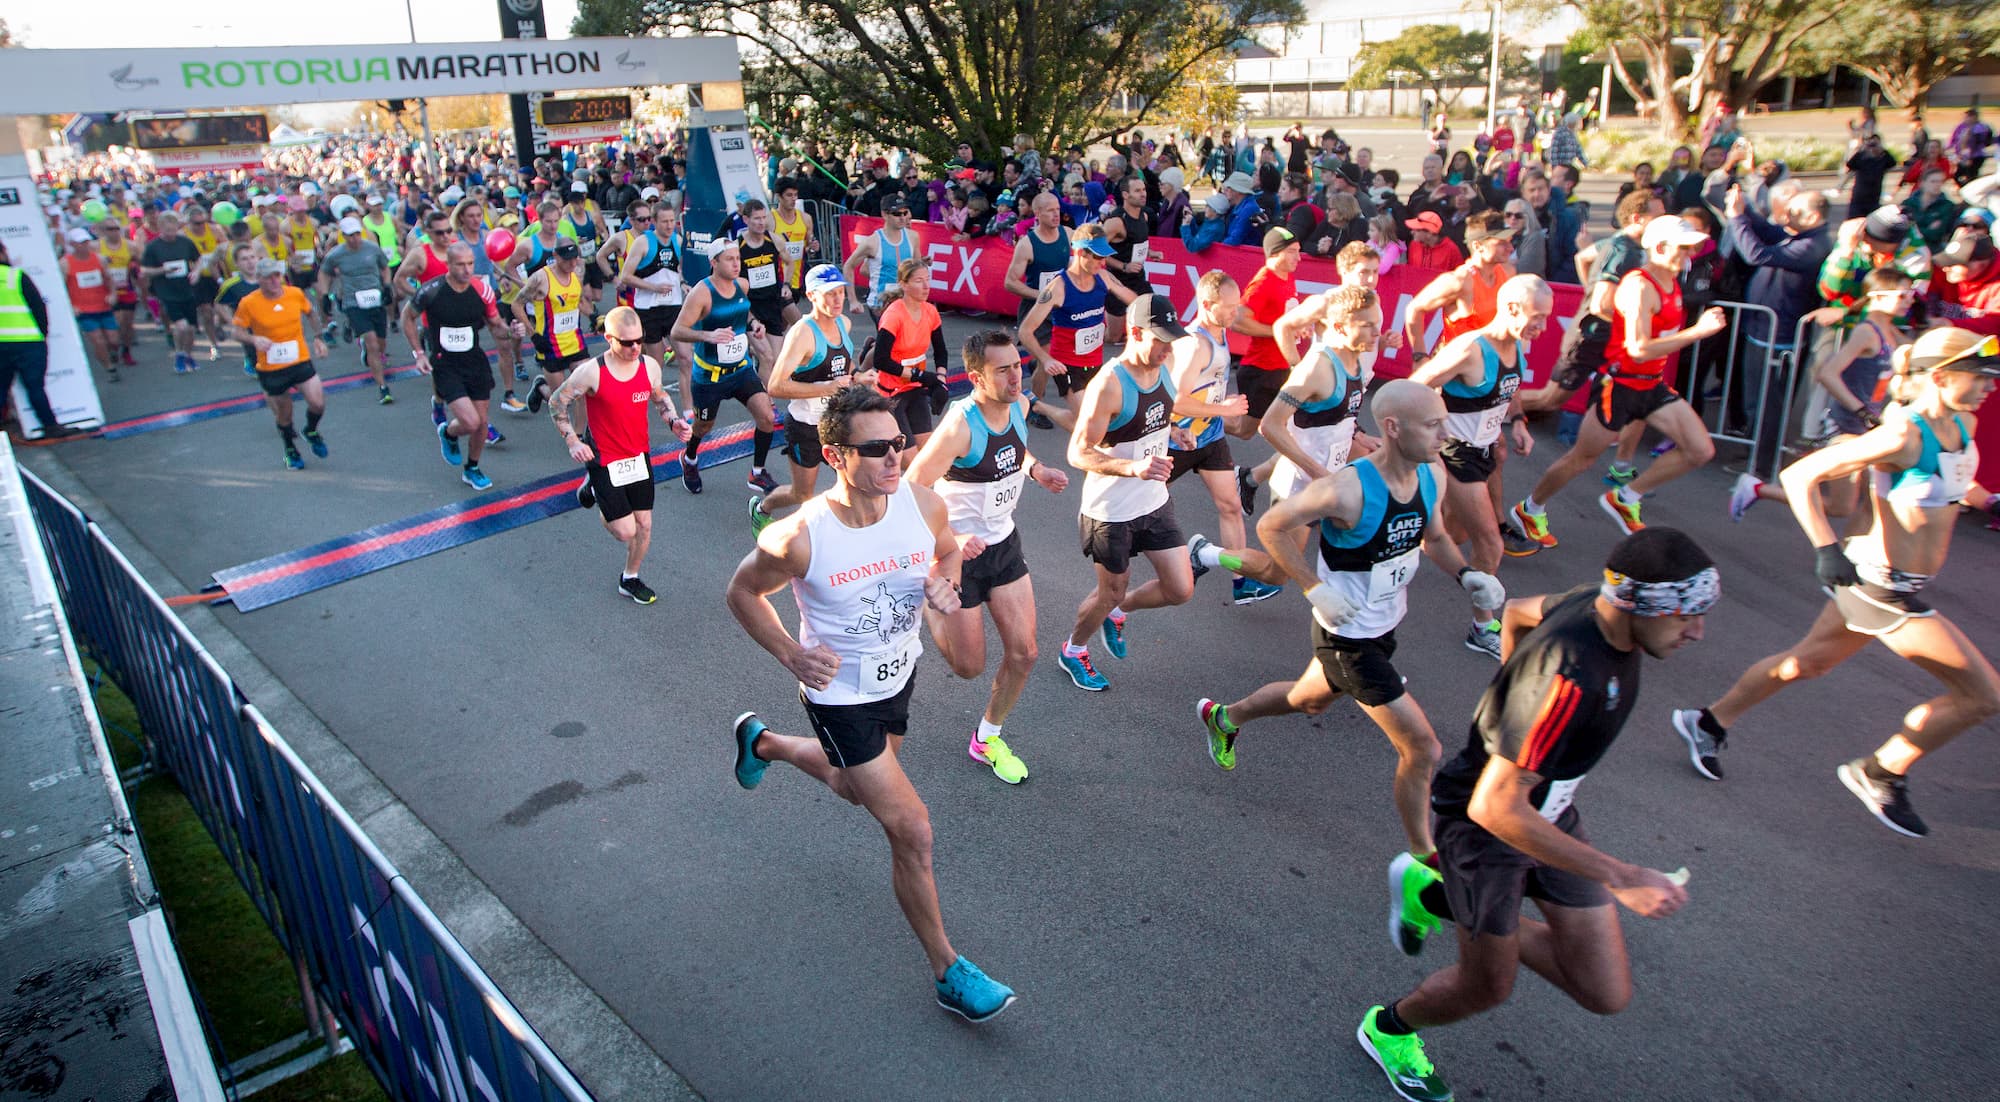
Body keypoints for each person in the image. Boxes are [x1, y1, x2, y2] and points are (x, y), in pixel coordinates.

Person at [1358, 528, 1713, 1102]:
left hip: (1548, 812)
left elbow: (1518, 615)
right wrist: (1621, 876)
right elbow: (1494, 805)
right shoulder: (1571, 676)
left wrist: (1509, 697)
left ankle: (1436, 897)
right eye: (1684, 615)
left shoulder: (1591, 601)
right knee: (1487, 987)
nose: (1696, 630)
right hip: (1486, 832)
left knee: (1605, 990)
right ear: (1637, 604)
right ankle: (1389, 1028)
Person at [724, 383, 1017, 1023]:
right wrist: (789, 654)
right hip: (836, 696)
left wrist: (947, 582)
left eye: (901, 443)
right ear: (835, 457)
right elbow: (743, 594)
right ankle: (947, 970)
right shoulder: (798, 536)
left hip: (897, 678)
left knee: (852, 786)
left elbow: (945, 553)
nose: (895, 457)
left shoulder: (921, 504)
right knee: (911, 829)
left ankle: (764, 743)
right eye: (878, 448)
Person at [1193, 381, 1505, 951]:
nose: (1445, 432)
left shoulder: (1431, 476)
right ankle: (1421, 859)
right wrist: (1313, 587)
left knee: (1309, 699)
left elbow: (1432, 535)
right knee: (1423, 749)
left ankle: (1224, 717)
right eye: (1433, 424)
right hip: (1347, 637)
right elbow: (1270, 527)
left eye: (1444, 423)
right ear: (1393, 428)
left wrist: (1465, 575)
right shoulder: (1344, 490)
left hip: (1384, 628)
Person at [1670, 327, 1999, 835]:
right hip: (1880, 588)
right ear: (1941, 375)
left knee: (1806, 663)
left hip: (1897, 584)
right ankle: (1881, 770)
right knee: (1984, 696)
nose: (1990, 386)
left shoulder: (1962, 423)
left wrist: (1989, 502)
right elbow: (1803, 477)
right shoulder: (1901, 434)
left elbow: (1957, 479)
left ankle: (1707, 721)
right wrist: (1825, 548)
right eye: (1980, 376)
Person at [907, 329, 1070, 783]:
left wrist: (1036, 469)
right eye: (1004, 370)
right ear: (977, 378)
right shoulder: (959, 425)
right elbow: (912, 490)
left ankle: (987, 737)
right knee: (968, 667)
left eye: (1017, 365)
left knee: (1026, 653)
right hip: (956, 556)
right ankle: (929, 601)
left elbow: (1013, 450)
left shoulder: (1018, 405)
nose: (1017, 376)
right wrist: (953, 538)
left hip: (1003, 544)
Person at [1511, 218, 1728, 546]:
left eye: (1692, 247)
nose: (1690, 254)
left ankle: (1626, 497)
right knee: (1581, 459)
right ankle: (1530, 508)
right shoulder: (1639, 286)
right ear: (1659, 248)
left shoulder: (1673, 280)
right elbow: (1638, 349)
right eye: (1683, 247)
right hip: (1621, 385)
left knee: (1700, 449)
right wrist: (1697, 332)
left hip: (1651, 385)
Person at [1057, 294, 1196, 692]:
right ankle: (1073, 649)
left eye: (1172, 339)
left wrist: (1173, 432)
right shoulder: (1109, 384)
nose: (1168, 348)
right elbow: (1077, 452)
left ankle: (1118, 613)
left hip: (1153, 501)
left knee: (1180, 589)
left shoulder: (1164, 364)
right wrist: (1131, 467)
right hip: (1111, 511)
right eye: (1160, 339)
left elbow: (1155, 416)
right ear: (1134, 332)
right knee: (1109, 591)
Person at [1411, 276, 1552, 659]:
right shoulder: (1469, 350)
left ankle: (1397, 535)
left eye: (1546, 319)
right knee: (1490, 541)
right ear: (1511, 309)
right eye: (1536, 318)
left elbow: (1510, 387)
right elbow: (1413, 388)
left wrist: (1519, 421)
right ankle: (1483, 626)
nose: (1542, 327)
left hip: (1485, 451)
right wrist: (1430, 443)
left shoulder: (1516, 345)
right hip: (1458, 454)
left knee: (1451, 535)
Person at [1729, 268, 1912, 520]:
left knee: (1875, 500)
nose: (1910, 300)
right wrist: (1860, 410)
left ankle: (1866, 553)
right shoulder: (1866, 332)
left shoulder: (1894, 332)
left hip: (1873, 426)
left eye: (1911, 294)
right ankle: (1758, 489)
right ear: (1877, 297)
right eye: (1902, 295)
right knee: (1843, 507)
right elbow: (1827, 373)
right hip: (1847, 427)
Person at [546, 305, 691, 606]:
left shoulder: (649, 365)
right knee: (626, 532)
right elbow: (556, 404)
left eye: (640, 340)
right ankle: (597, 491)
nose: (635, 347)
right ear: (609, 338)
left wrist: (673, 421)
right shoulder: (590, 372)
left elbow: (660, 397)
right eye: (627, 342)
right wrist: (573, 441)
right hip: (604, 457)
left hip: (638, 456)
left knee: (645, 526)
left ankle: (630, 578)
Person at [1168, 271, 1278, 604]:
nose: (1236, 313)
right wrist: (1225, 410)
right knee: (1139, 506)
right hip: (1178, 441)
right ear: (1206, 305)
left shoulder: (1219, 332)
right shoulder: (1196, 344)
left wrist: (1218, 412)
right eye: (1229, 308)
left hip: (1210, 438)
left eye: (1237, 305)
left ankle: (1241, 581)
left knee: (1230, 505)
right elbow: (1173, 399)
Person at [751, 264, 867, 531]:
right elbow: (776, 386)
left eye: (840, 292)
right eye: (830, 294)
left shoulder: (844, 323)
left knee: (857, 476)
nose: (838, 300)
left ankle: (851, 532)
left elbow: (841, 367)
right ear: (812, 295)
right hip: (806, 424)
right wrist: (828, 388)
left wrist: (858, 377)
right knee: (802, 493)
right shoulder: (802, 333)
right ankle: (762, 508)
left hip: (838, 419)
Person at [401, 242, 515, 490]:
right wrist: (419, 353)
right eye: (460, 264)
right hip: (446, 364)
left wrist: (511, 331)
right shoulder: (432, 290)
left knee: (482, 423)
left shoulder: (482, 290)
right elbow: (406, 317)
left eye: (470, 263)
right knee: (471, 422)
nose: (466, 269)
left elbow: (495, 323)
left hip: (475, 361)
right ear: (449, 265)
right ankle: (449, 433)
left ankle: (471, 468)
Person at [670, 238, 778, 495]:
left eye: (738, 258)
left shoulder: (742, 285)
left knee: (767, 416)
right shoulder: (702, 293)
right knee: (704, 427)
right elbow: (677, 330)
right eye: (729, 259)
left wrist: (754, 325)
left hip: (740, 369)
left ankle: (758, 473)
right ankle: (690, 458)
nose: (736, 264)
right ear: (714, 262)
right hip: (710, 376)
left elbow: (745, 313)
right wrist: (707, 336)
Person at [1016, 225, 1137, 434]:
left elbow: (1133, 299)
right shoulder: (1057, 288)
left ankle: (1036, 404)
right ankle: (1040, 406)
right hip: (1067, 366)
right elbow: (1025, 331)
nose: (1103, 263)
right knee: (1089, 425)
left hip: (1095, 363)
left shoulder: (1104, 278)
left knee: (1108, 420)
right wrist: (1046, 360)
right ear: (1081, 253)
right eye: (1098, 257)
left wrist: (1155, 310)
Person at [1229, 227, 1310, 515]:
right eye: (1292, 252)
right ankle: (1199, 417)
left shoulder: (1286, 277)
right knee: (1243, 431)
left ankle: (1252, 478)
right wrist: (1279, 332)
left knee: (1300, 434)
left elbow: (1284, 316)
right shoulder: (1262, 283)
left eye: (1298, 251)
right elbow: (1238, 321)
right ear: (1274, 254)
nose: (1298, 257)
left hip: (1283, 371)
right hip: (1260, 370)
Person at [231, 259, 331, 470]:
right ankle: (290, 449)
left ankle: (311, 431)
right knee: (285, 414)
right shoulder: (249, 303)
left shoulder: (294, 294)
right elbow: (236, 331)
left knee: (318, 402)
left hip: (299, 359)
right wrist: (253, 340)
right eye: (269, 277)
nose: (275, 280)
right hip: (272, 367)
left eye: (277, 275)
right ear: (259, 279)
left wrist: (318, 337)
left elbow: (311, 312)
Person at [1000, 192, 1071, 427]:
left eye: (1058, 210)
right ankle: (1036, 407)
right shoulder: (1028, 244)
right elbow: (1010, 282)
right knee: (1046, 359)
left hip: (1061, 308)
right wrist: (1041, 296)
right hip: (1036, 310)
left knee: (1063, 354)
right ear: (1037, 214)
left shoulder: (1068, 235)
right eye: (1050, 210)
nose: (1056, 214)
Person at [1404, 213, 1515, 361]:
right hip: (1458, 369)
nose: (1511, 248)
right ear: (1478, 246)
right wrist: (1420, 356)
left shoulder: (1506, 272)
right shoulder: (1460, 280)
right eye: (1502, 243)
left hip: (1491, 365)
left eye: (1509, 241)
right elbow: (1414, 308)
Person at [872, 258, 953, 456]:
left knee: (926, 456)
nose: (926, 286)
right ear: (904, 284)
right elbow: (880, 361)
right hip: (892, 391)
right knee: (908, 459)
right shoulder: (894, 315)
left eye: (928, 279)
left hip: (915, 388)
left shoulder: (930, 311)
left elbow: (941, 351)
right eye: (918, 281)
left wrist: (940, 381)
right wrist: (920, 375)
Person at [0, 242, 80, 439]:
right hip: (28, 341)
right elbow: (38, 307)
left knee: (1, 387)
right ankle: (50, 426)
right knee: (35, 387)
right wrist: (42, 334)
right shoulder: (15, 276)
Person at [317, 216, 394, 403]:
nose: (355, 239)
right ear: (343, 236)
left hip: (375, 299)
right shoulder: (337, 254)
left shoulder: (372, 249)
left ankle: (367, 350)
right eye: (350, 236)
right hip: (354, 302)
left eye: (357, 234)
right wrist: (325, 294)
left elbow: (385, 268)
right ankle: (383, 387)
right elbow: (324, 272)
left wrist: (387, 286)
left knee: (381, 344)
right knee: (372, 343)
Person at [511, 241, 591, 416]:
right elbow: (516, 305)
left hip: (575, 341)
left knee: (584, 392)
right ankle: (542, 388)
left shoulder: (577, 271)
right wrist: (533, 335)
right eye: (567, 260)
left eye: (575, 258)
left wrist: (592, 315)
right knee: (562, 401)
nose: (572, 263)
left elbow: (576, 299)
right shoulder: (540, 278)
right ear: (555, 256)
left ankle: (581, 435)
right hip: (550, 345)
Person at [138, 211, 204, 374]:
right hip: (167, 291)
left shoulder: (185, 242)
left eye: (174, 230)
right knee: (180, 326)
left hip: (186, 289)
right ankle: (179, 354)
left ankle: (188, 354)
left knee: (190, 329)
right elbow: (144, 270)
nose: (171, 234)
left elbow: (199, 259)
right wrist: (162, 269)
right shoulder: (153, 247)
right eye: (168, 231)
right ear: (160, 228)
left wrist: (196, 272)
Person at [843, 193, 917, 321]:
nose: (902, 218)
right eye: (896, 214)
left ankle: (873, 342)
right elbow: (849, 266)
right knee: (894, 340)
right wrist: (853, 300)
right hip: (881, 305)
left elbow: (917, 267)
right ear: (884, 214)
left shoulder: (913, 237)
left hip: (906, 302)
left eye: (904, 213)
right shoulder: (872, 242)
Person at [60, 227, 119, 385]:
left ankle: (112, 353)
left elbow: (109, 279)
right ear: (72, 244)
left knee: (114, 340)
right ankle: (109, 368)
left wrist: (112, 294)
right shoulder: (66, 263)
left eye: (86, 241)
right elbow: (61, 288)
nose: (84, 245)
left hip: (103, 306)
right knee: (98, 340)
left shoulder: (99, 259)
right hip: (84, 309)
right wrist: (71, 306)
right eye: (80, 243)